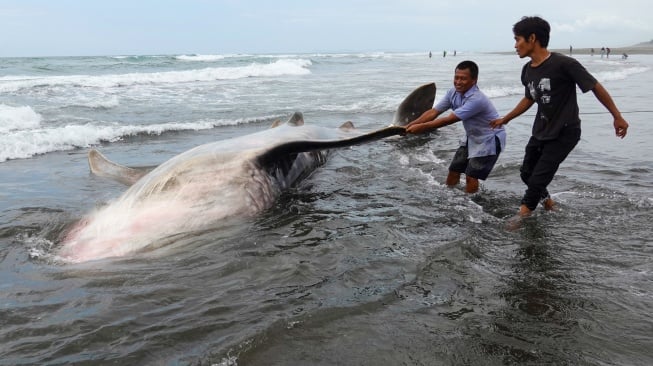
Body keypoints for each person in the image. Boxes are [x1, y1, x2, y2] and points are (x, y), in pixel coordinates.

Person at [490, 16, 629, 218]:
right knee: (527, 173)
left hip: (565, 132)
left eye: (517, 39)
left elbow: (595, 86)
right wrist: (506, 118)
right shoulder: (527, 70)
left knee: (538, 179)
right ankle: (548, 204)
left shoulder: (565, 64)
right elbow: (529, 98)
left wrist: (617, 116)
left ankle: (521, 218)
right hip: (541, 130)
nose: (515, 45)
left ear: (532, 38)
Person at [406, 60, 506, 194]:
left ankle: (470, 205)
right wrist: (410, 125)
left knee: (471, 176)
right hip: (472, 137)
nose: (458, 82)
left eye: (463, 79)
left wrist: (421, 127)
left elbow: (448, 120)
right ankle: (450, 197)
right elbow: (433, 112)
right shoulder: (452, 93)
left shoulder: (476, 99)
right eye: (456, 77)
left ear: (474, 80)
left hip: (489, 139)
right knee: (454, 170)